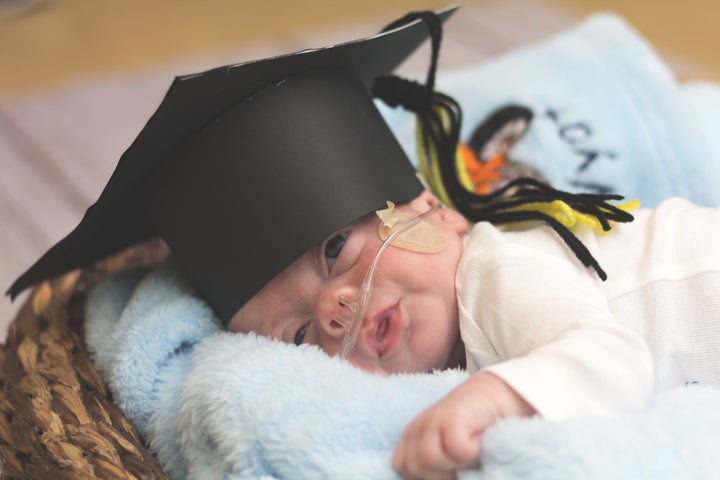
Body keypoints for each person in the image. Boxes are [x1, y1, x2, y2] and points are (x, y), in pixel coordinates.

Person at [7, 7, 720, 480]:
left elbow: (609, 359)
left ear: (441, 218)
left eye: (333, 252)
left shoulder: (500, 271)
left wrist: (487, 402)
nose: (335, 310)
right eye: (293, 337)